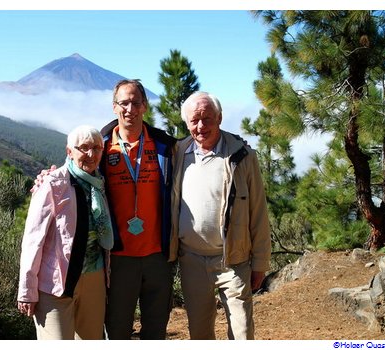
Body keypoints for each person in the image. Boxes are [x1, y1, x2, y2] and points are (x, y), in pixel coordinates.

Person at [31, 79, 177, 340]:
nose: (129, 108)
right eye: (123, 103)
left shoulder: (166, 147)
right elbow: (75, 168)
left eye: (135, 102)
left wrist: (236, 143)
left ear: (144, 105)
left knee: (155, 332)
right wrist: (47, 177)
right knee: (117, 332)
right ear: (114, 107)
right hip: (117, 259)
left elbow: (199, 150)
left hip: (158, 255)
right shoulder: (101, 146)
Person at [168, 91, 271, 340]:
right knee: (200, 333)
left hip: (233, 261)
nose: (201, 126)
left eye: (208, 118)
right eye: (195, 120)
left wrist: (259, 264)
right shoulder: (178, 153)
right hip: (191, 259)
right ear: (187, 123)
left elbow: (258, 211)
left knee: (242, 333)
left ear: (220, 118)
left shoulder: (242, 156)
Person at [17, 125, 114, 340]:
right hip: (55, 284)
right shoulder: (52, 184)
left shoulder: (100, 183)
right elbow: (34, 240)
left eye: (97, 148)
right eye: (84, 148)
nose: (91, 154)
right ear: (69, 151)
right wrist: (27, 290)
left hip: (94, 278)